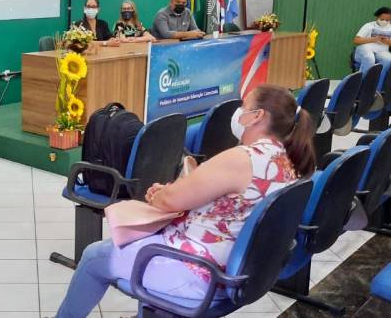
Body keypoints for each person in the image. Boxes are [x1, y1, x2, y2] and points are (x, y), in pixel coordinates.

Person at [55, 84, 315, 317]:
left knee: (92, 257)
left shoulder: (242, 159)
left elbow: (168, 202)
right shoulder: (286, 160)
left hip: (199, 273)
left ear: (257, 116)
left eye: (244, 106)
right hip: (234, 271)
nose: (239, 113)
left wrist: (163, 195)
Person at [353, 6, 391, 74]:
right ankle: (363, 82)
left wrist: (387, 41)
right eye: (382, 19)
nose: (384, 21)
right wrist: (374, 39)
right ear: (377, 17)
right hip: (366, 49)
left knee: (389, 60)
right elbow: (356, 40)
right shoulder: (369, 26)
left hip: (382, 51)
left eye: (387, 20)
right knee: (369, 58)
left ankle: (379, 84)